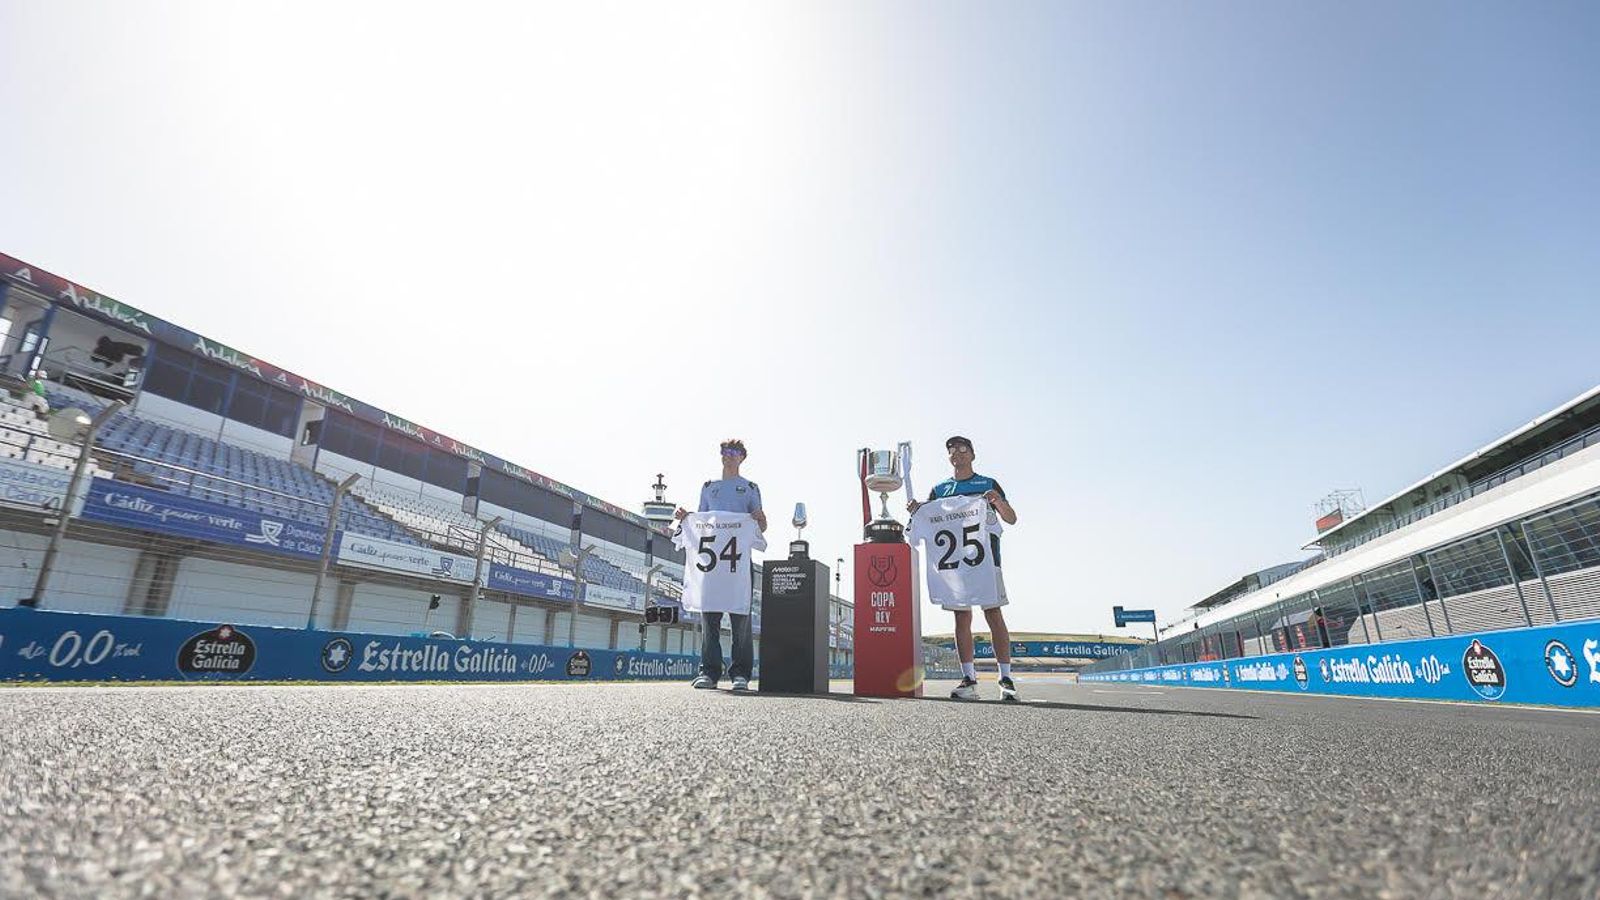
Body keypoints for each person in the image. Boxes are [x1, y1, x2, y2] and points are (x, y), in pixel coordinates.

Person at [908, 435, 1020, 702]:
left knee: (993, 613)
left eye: (962, 449)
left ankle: (1005, 678)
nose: (956, 453)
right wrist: (917, 510)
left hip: (986, 558)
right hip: (954, 565)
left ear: (972, 454)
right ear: (949, 458)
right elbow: (929, 518)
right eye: (951, 450)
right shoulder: (940, 489)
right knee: (961, 618)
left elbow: (1012, 519)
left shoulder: (987, 483)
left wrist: (997, 502)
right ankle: (969, 678)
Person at [675, 438, 767, 691]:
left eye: (734, 452)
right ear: (721, 455)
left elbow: (760, 527)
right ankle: (709, 672)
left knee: (741, 619)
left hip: (738, 562)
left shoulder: (749, 488)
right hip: (712, 563)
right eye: (725, 451)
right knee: (710, 618)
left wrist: (761, 519)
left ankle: (740, 674)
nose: (729, 455)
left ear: (742, 457)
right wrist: (686, 519)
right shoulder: (708, 487)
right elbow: (701, 521)